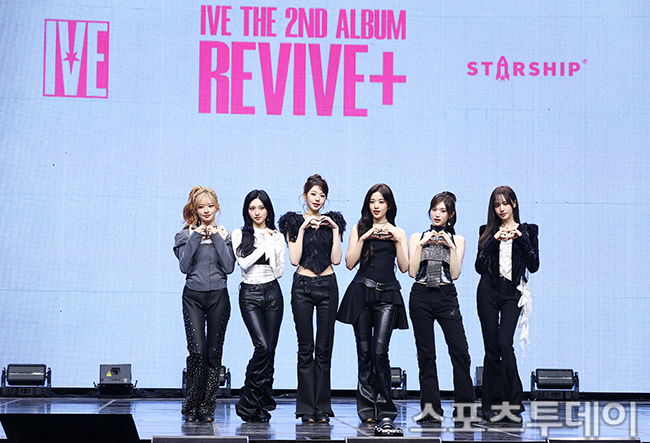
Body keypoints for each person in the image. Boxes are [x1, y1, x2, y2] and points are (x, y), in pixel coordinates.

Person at [337, 184, 409, 431]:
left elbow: (405, 267)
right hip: (362, 293)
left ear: (389, 205)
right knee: (364, 352)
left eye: (381, 201)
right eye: (372, 201)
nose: (376, 206)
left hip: (388, 295)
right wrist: (364, 237)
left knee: (380, 351)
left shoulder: (398, 231)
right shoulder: (359, 228)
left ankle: (386, 410)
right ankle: (367, 410)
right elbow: (349, 263)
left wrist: (397, 239)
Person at [278, 174, 346, 423]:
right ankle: (306, 409)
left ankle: (322, 408)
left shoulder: (333, 221)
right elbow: (294, 259)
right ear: (305, 195)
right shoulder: (293, 221)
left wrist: (335, 230)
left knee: (324, 348)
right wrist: (303, 228)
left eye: (322, 195)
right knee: (305, 348)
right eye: (313, 194)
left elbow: (336, 260)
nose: (317, 199)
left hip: (328, 285)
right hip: (303, 287)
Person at [408, 192, 474, 423]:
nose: (437, 214)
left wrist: (451, 247)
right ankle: (431, 410)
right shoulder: (417, 236)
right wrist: (421, 245)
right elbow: (412, 272)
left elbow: (455, 274)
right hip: (421, 294)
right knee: (426, 354)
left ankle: (464, 410)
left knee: (460, 351)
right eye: (434, 209)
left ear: (451, 215)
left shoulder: (459, 240)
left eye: (443, 211)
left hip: (446, 296)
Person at [475, 186, 539, 423]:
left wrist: (520, 238)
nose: (501, 209)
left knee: (505, 343)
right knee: (491, 348)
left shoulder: (528, 230)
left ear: (514, 203)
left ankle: (513, 405)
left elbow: (534, 265)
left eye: (505, 204)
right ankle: (491, 407)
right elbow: (479, 266)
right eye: (496, 205)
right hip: (488, 290)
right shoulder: (486, 231)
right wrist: (494, 240)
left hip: (512, 293)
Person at [174, 186, 236, 422]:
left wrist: (216, 236)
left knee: (213, 352)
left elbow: (229, 267)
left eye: (210, 206)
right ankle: (191, 406)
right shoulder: (184, 236)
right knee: (197, 352)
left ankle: (207, 407)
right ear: (195, 210)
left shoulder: (226, 235)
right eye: (201, 207)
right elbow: (184, 266)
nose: (206, 210)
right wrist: (197, 236)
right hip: (193, 298)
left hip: (219, 297)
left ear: (217, 208)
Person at [231, 190, 286, 422]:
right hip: (250, 293)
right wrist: (263, 243)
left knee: (270, 351)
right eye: (252, 208)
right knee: (262, 347)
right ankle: (248, 401)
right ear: (247, 211)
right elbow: (244, 263)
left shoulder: (277, 236)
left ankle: (260, 406)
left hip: (272, 292)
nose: (257, 213)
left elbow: (279, 271)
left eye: (261, 208)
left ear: (268, 210)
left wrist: (274, 242)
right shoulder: (239, 234)